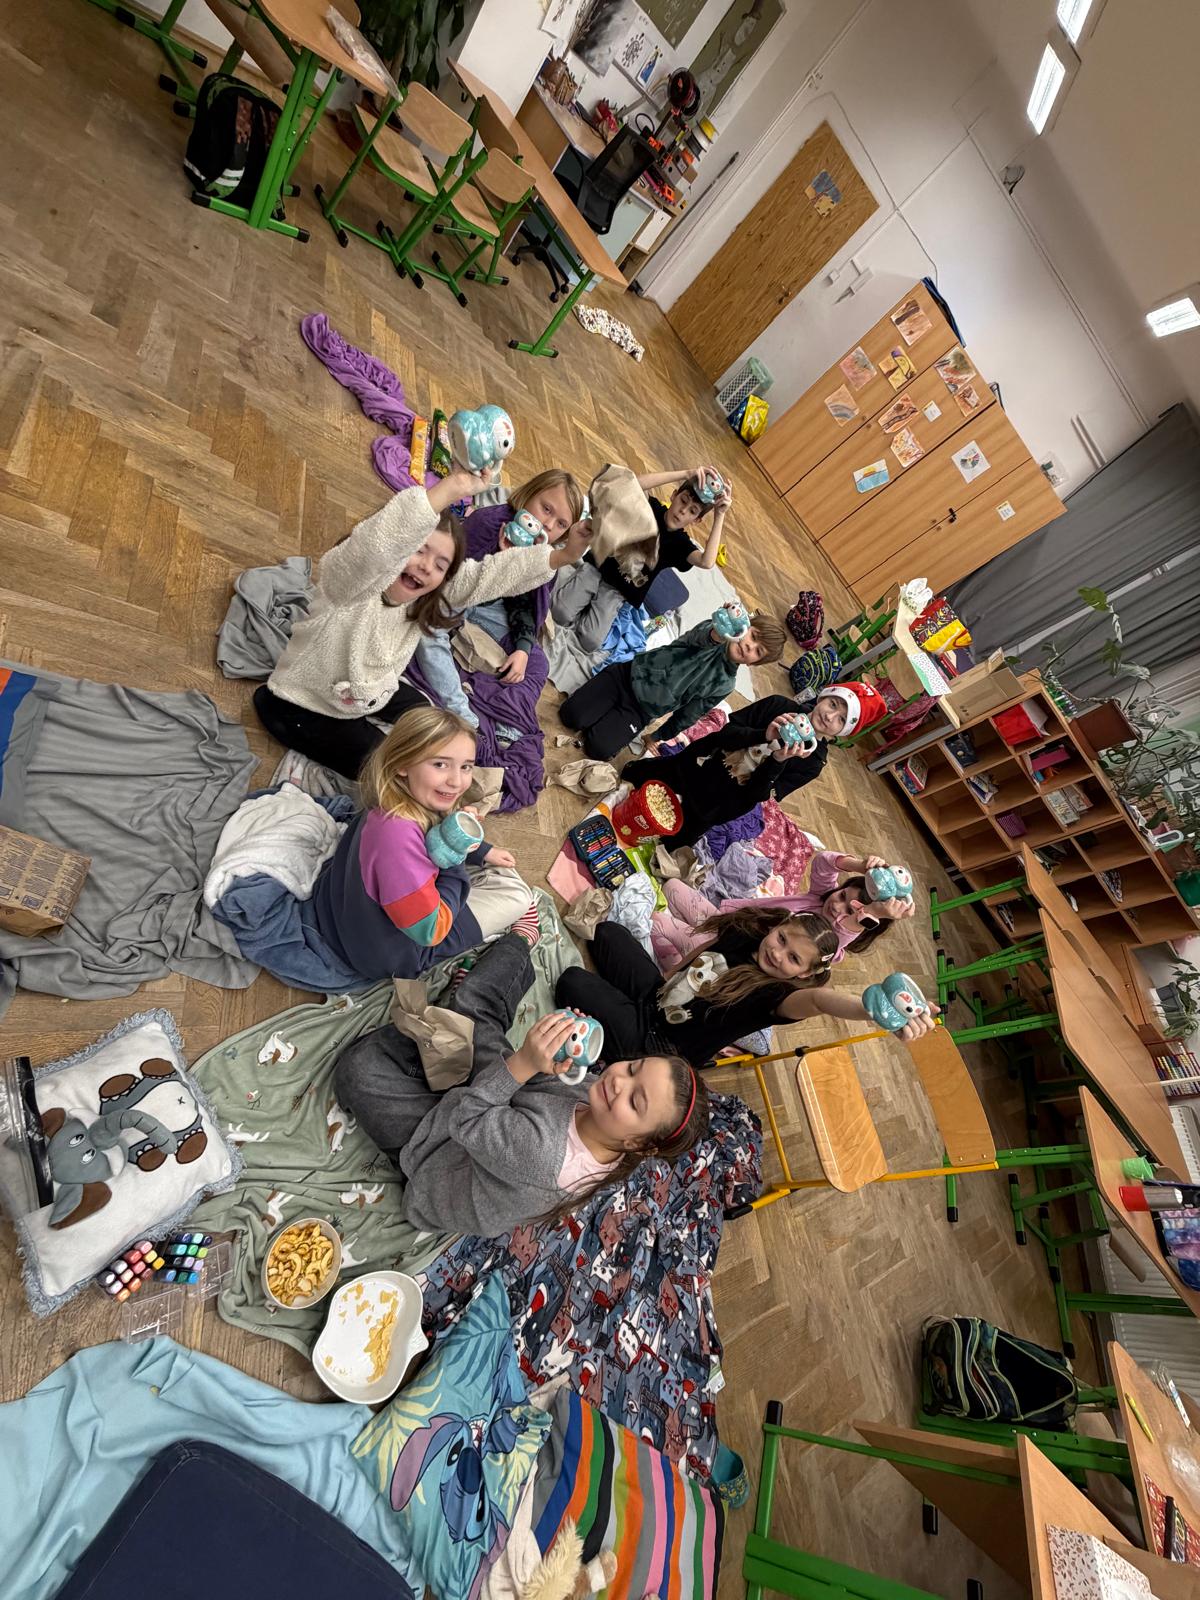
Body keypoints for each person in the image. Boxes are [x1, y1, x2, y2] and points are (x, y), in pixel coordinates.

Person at [334, 932, 711, 1236]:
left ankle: (446, 1034)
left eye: (635, 1101)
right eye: (633, 1068)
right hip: (498, 1107)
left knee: (360, 1071)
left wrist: (522, 1064)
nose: (618, 1081)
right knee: (468, 1014)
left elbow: (466, 1119)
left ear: (638, 1145)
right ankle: (521, 940)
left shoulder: (543, 1158)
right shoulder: (604, 1108)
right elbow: (539, 1091)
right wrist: (559, 1059)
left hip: (440, 1153)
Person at [253, 468, 591, 779]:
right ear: (399, 545)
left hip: (366, 692)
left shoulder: (425, 598)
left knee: (434, 722)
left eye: (441, 565)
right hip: (301, 706)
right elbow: (374, 546)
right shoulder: (353, 584)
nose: (427, 567)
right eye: (419, 551)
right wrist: (452, 487)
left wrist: (564, 556)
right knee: (396, 767)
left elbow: (482, 578)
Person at [210, 705, 538, 992]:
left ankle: (477, 874)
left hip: (340, 909)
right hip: (383, 954)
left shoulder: (393, 800)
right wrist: (455, 854)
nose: (457, 781)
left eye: (465, 766)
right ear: (403, 763)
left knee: (498, 870)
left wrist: (479, 849)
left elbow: (431, 831)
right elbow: (431, 930)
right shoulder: (398, 841)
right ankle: (515, 920)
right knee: (518, 894)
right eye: (440, 764)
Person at [555, 906, 938, 1068]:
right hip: (656, 996)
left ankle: (621, 1038)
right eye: (782, 939)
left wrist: (869, 1010)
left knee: (573, 981)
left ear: (802, 974)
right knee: (607, 933)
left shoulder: (775, 996)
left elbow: (821, 1001)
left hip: (659, 1045)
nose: (778, 953)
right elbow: (702, 953)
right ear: (777, 926)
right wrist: (668, 977)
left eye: (793, 959)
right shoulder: (746, 933)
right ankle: (620, 1009)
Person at [621, 679, 888, 848]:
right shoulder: (778, 705)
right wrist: (764, 735)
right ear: (823, 697)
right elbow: (725, 734)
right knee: (635, 773)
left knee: (673, 845)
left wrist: (778, 760)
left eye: (841, 719)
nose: (830, 716)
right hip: (698, 763)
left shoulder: (812, 763)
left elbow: (758, 795)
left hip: (720, 802)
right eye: (833, 704)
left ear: (842, 732)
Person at [413, 469, 585, 723]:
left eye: (561, 524)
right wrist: (503, 561)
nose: (548, 525)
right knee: (427, 631)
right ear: (529, 495)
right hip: (458, 594)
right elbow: (452, 588)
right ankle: (459, 707)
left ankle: (500, 714)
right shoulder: (490, 522)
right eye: (546, 509)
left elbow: (525, 604)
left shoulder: (545, 555)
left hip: (491, 609)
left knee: (538, 663)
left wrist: (523, 649)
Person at [558, 610, 787, 761]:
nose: (749, 647)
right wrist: (718, 633)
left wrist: (657, 736)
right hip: (625, 677)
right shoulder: (712, 633)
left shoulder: (726, 684)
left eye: (758, 651)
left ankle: (609, 723)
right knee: (570, 716)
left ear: (754, 663)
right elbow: (699, 637)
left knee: (598, 749)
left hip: (640, 711)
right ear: (745, 626)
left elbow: (689, 715)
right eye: (753, 636)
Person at [550, 466, 731, 652]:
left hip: (618, 591)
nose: (683, 511)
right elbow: (632, 483)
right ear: (674, 495)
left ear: (696, 520)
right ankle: (579, 598)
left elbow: (707, 561)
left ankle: (587, 608)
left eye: (692, 511)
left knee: (590, 641)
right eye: (683, 501)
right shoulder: (651, 507)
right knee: (559, 611)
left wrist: (720, 514)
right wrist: (685, 474)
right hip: (598, 566)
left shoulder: (680, 544)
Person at [652, 851, 917, 968]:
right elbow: (823, 862)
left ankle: (680, 967)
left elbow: (844, 934)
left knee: (657, 923)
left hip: (724, 949)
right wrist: (859, 866)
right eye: (842, 895)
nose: (837, 907)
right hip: (724, 921)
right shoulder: (819, 898)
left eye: (850, 911)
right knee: (672, 885)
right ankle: (684, 941)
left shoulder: (829, 943)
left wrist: (875, 914)